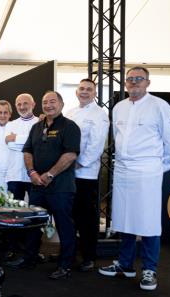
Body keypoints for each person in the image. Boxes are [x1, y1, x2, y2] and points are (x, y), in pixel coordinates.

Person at [98, 66, 170, 291]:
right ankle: (125, 265)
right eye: (130, 79)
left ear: (148, 83)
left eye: (139, 79)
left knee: (148, 221)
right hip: (123, 169)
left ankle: (149, 270)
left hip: (148, 169)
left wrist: (163, 165)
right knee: (124, 218)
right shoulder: (119, 107)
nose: (134, 82)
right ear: (125, 83)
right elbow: (117, 136)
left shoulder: (159, 105)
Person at [20, 91, 80, 279]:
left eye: (52, 101)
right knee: (33, 224)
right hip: (37, 186)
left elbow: (70, 155)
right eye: (45, 102)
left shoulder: (70, 127)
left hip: (60, 187)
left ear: (61, 104)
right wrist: (32, 173)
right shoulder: (37, 127)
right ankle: (29, 259)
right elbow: (27, 151)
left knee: (64, 226)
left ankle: (65, 265)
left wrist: (50, 174)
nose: (48, 105)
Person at [64, 78, 109, 272]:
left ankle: (89, 257)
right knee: (69, 216)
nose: (84, 92)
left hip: (85, 173)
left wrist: (79, 163)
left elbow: (96, 144)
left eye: (89, 89)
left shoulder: (100, 114)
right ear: (76, 91)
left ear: (95, 93)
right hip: (67, 173)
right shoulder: (70, 113)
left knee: (87, 218)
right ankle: (70, 253)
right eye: (81, 88)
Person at [5, 93, 38, 199]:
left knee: (35, 210)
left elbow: (38, 144)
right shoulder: (10, 124)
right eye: (19, 104)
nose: (22, 107)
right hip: (15, 175)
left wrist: (16, 138)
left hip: (35, 174)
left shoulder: (40, 123)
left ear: (33, 104)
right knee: (14, 211)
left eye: (25, 103)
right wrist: (31, 141)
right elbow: (10, 145)